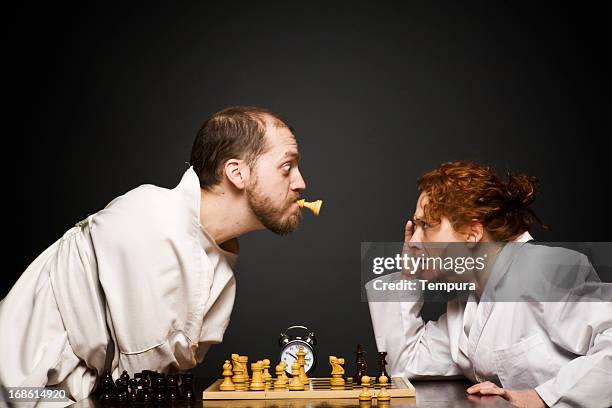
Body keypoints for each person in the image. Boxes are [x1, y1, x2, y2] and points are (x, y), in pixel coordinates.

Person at [0, 106, 307, 401]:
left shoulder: (219, 268)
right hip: (23, 393)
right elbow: (141, 383)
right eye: (287, 167)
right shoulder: (150, 218)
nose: (300, 183)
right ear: (237, 173)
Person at [368, 161, 612, 408]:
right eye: (415, 226)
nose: (414, 241)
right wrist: (408, 277)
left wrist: (542, 397)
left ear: (472, 233)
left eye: (426, 226)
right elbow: (404, 364)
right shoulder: (463, 308)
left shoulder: (546, 269)